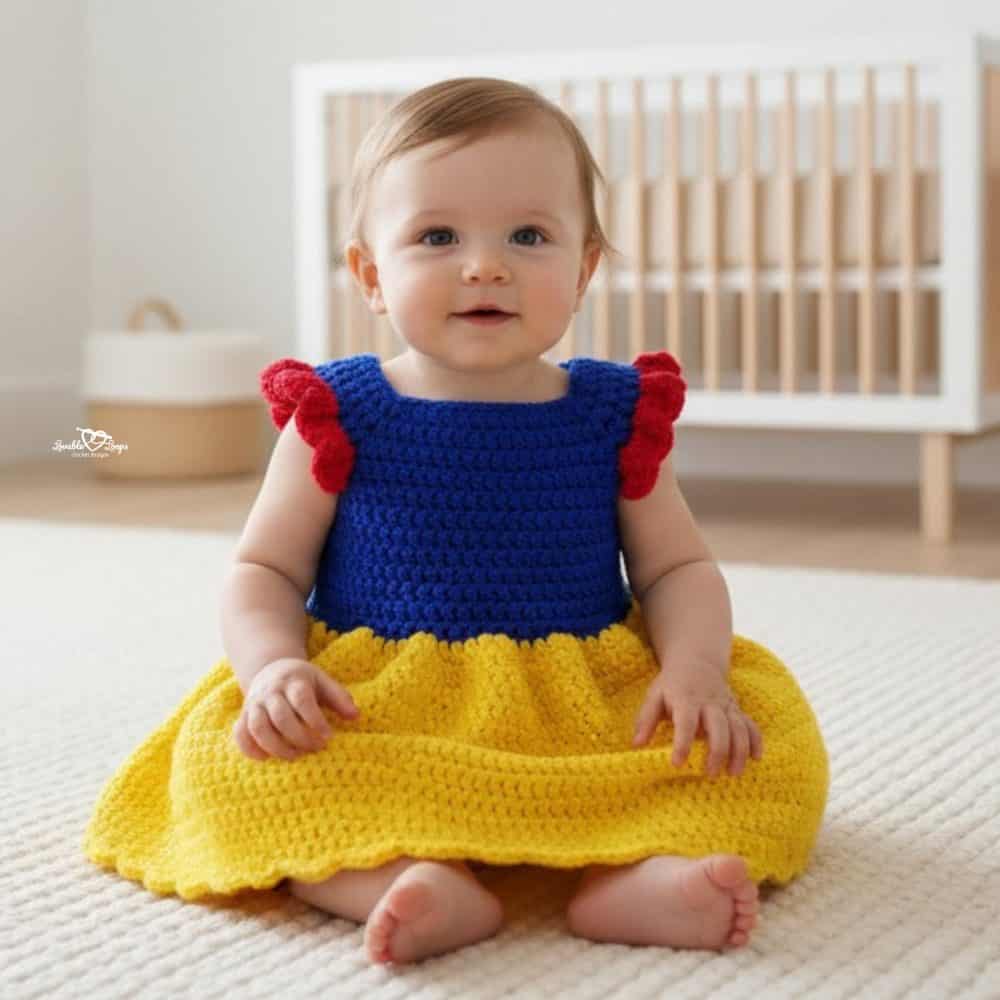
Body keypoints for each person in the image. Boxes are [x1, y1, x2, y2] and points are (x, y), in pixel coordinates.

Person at [83, 76, 829, 967]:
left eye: (528, 236)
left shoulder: (610, 415)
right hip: (382, 702)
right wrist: (273, 666)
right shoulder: (340, 412)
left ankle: (637, 878)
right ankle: (399, 877)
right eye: (438, 237)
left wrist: (695, 671)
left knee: (761, 746)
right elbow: (264, 571)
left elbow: (677, 570)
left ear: (584, 269)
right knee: (235, 768)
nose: (485, 266)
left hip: (579, 702)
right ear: (371, 275)